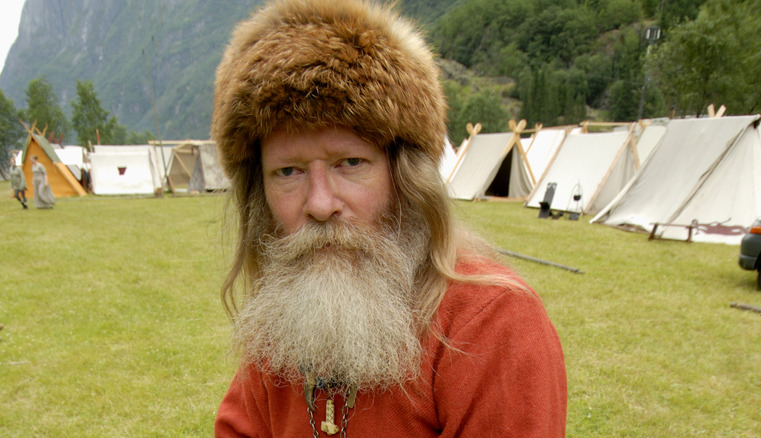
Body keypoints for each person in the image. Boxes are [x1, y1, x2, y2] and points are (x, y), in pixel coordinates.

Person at [212, 1, 567, 436]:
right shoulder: (285, 320)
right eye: (289, 172)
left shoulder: (493, 324)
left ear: (405, 177)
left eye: (350, 162)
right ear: (259, 195)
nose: (320, 204)